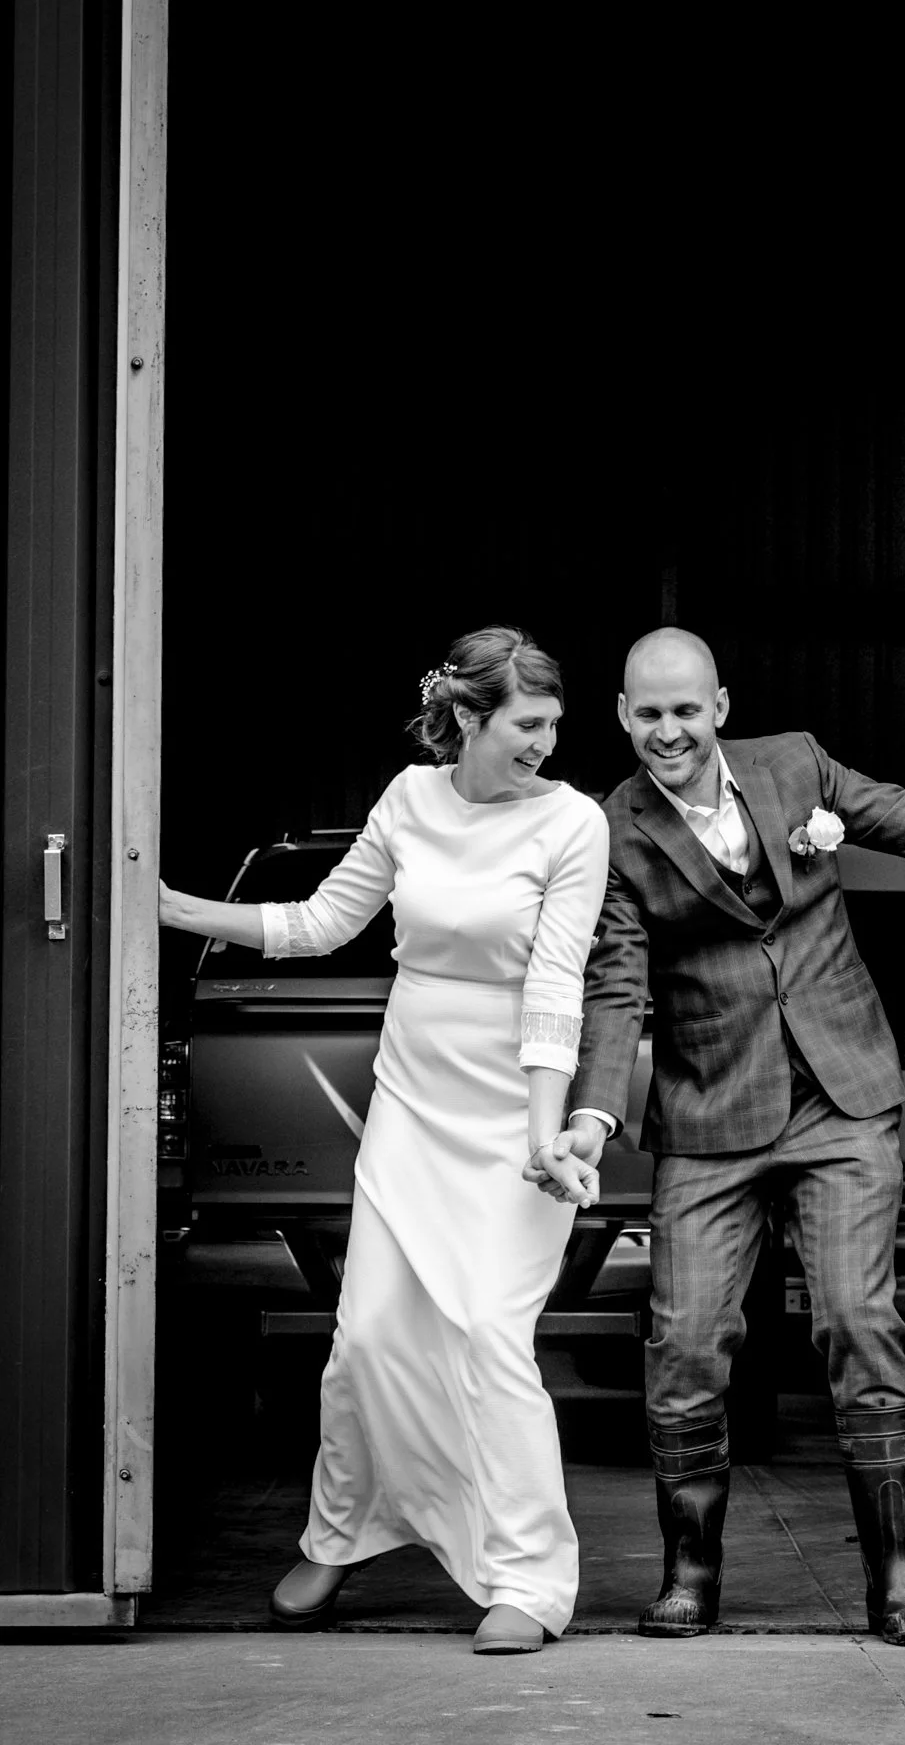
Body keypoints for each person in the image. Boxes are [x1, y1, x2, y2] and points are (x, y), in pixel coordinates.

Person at [530, 628, 905, 1647]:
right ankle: (689, 1573)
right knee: (685, 1338)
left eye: (686, 709)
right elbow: (614, 981)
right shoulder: (607, 828)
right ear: (621, 716)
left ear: (719, 705)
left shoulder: (794, 764)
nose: (669, 730)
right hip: (710, 1112)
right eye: (648, 713)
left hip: (840, 1095)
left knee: (858, 1320)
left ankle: (895, 1581)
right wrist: (591, 1115)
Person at [160, 626, 609, 1656]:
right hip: (410, 1103)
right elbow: (320, 924)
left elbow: (556, 984)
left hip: (513, 1113)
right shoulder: (408, 799)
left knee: (489, 1335)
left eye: (552, 724)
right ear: (468, 718)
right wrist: (173, 907)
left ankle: (528, 1578)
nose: (545, 744)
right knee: (366, 1336)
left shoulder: (573, 822)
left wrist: (543, 1134)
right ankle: (340, 1535)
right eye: (526, 724)